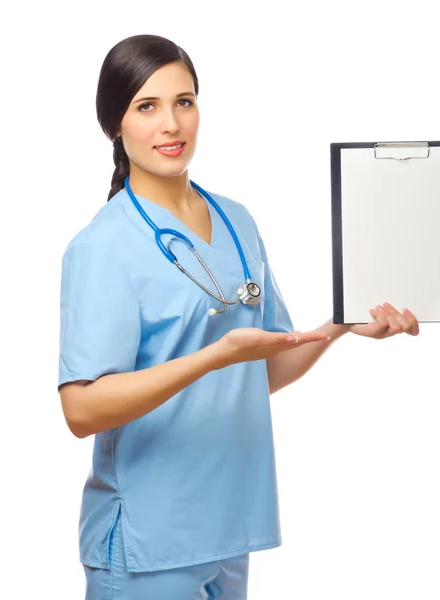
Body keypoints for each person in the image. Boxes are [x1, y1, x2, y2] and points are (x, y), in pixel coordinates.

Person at [57, 33, 420, 600]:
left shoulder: (236, 222)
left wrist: (342, 323)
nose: (171, 124)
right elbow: (81, 410)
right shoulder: (104, 247)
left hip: (229, 529)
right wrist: (213, 357)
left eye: (185, 101)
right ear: (115, 124)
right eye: (146, 107)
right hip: (150, 544)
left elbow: (263, 369)